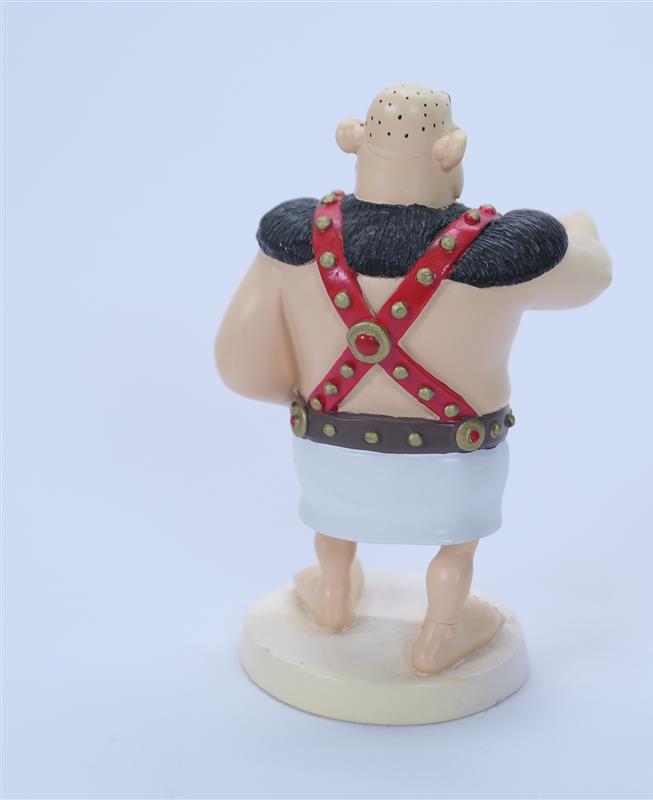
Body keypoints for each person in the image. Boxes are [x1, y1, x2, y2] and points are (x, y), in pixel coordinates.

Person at [216, 84, 612, 675]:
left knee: (333, 527)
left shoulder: (295, 239)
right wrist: (580, 232)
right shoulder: (508, 250)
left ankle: (332, 593)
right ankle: (441, 633)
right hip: (455, 461)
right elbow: (592, 278)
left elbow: (239, 356)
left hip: (329, 452)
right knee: (456, 546)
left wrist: (288, 392)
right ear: (450, 150)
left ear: (356, 142)